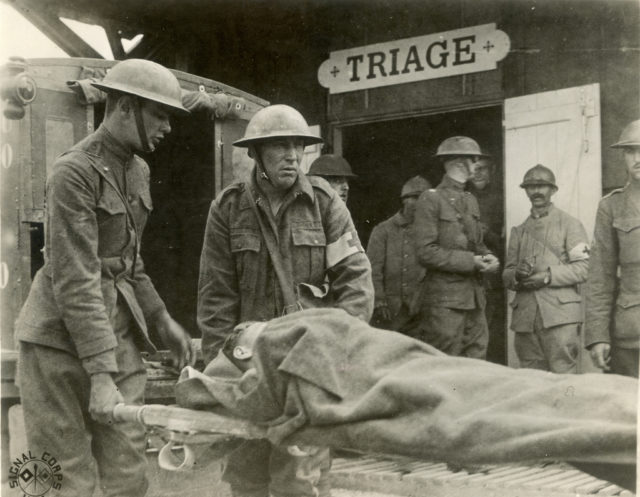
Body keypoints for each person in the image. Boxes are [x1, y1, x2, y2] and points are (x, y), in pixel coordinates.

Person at [15, 59, 196, 497]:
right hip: (57, 345)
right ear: (125, 107)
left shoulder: (137, 171)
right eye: (159, 114)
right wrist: (99, 375)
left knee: (128, 477)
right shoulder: (73, 172)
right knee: (64, 481)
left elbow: (128, 265)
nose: (167, 128)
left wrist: (161, 320)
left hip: (116, 336)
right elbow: (76, 278)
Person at [197, 104, 373, 497]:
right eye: (280, 146)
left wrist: (336, 352)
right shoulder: (227, 209)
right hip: (250, 368)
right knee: (246, 479)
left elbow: (356, 283)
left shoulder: (326, 204)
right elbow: (215, 298)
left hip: (306, 368)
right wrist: (223, 371)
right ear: (256, 154)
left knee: (301, 482)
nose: (293, 155)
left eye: (299, 145)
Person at [409, 136, 500, 358]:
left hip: (475, 299)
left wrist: (489, 257)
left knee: (477, 361)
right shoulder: (430, 200)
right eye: (475, 160)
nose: (477, 166)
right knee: (447, 366)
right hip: (445, 303)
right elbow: (425, 251)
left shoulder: (470, 199)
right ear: (461, 163)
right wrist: (471, 262)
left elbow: (476, 242)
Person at [502, 164, 589, 373]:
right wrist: (516, 274)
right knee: (532, 380)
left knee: (564, 378)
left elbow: (584, 268)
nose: (536, 191)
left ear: (553, 190)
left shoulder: (570, 224)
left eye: (542, 186)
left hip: (560, 317)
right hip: (526, 319)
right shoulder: (519, 231)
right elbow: (507, 273)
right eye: (530, 187)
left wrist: (548, 277)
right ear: (526, 191)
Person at [586, 120, 640, 378]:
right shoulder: (612, 206)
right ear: (623, 156)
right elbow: (600, 276)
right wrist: (597, 335)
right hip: (630, 334)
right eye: (630, 151)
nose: (638, 158)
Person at [367, 175, 431, 331]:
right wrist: (380, 302)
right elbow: (373, 270)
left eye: (424, 199)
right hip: (392, 311)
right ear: (404, 200)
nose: (419, 204)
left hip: (424, 310)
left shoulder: (431, 231)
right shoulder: (383, 231)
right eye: (415, 198)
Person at [466, 157, 506, 363]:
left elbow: (507, 243)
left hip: (495, 280)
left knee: (494, 334)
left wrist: (487, 233)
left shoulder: (502, 199)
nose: (478, 173)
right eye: (474, 169)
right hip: (469, 277)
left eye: (483, 169)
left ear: (493, 170)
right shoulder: (463, 199)